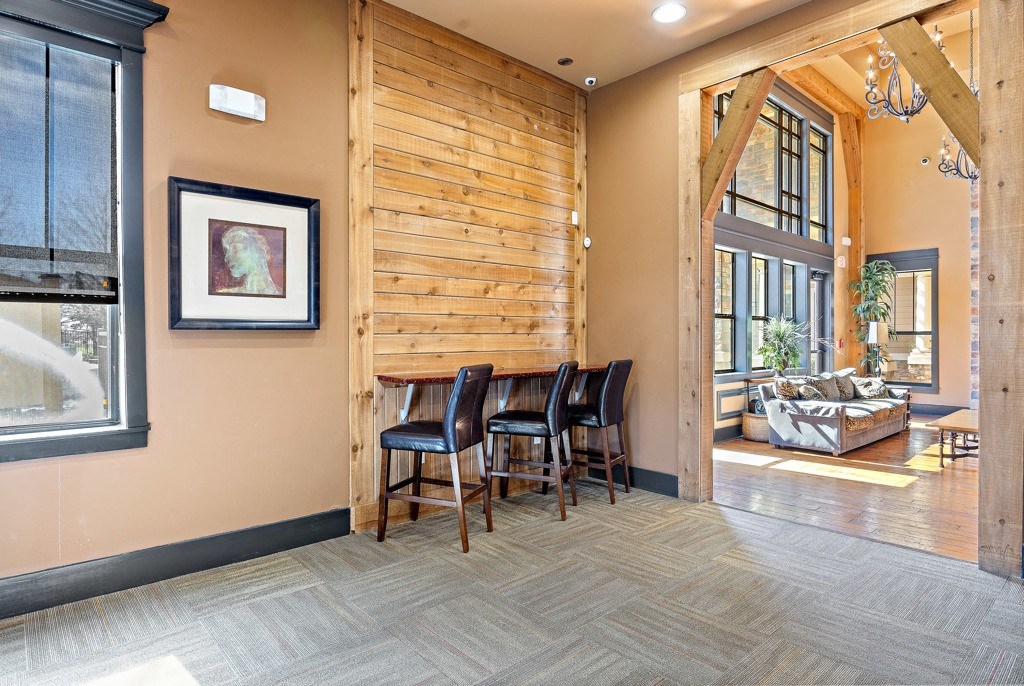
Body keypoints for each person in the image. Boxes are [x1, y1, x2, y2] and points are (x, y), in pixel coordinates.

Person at [216, 225, 283, 296]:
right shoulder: (225, 293)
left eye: (235, 249)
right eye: (227, 251)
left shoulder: (281, 294)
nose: (226, 259)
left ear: (257, 251)